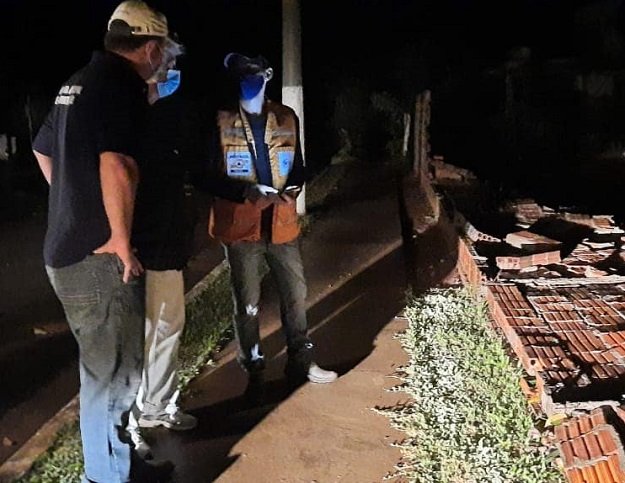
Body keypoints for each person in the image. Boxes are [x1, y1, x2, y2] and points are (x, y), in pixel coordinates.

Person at [31, 1, 176, 481]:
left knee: (105, 370)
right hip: (98, 261)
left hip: (67, 251)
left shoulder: (78, 82)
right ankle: (106, 476)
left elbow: (41, 148)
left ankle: (121, 465)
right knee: (114, 379)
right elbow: (118, 164)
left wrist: (74, 202)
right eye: (163, 51)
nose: (164, 60)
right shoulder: (120, 86)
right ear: (150, 49)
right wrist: (119, 238)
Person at [207, 52, 338, 388]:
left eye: (253, 73)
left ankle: (301, 361)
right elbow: (205, 175)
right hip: (241, 227)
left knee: (296, 295)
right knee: (247, 304)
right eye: (241, 74)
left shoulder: (285, 117)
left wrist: (293, 188)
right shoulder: (220, 120)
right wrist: (246, 193)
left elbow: (298, 165)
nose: (247, 80)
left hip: (281, 223)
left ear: (267, 76)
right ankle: (254, 368)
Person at [125, 38, 198, 456]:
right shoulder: (129, 119)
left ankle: (157, 407)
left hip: (169, 247)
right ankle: (131, 423)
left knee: (168, 330)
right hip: (139, 249)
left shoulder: (170, 118)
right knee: (139, 340)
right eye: (167, 63)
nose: (171, 71)